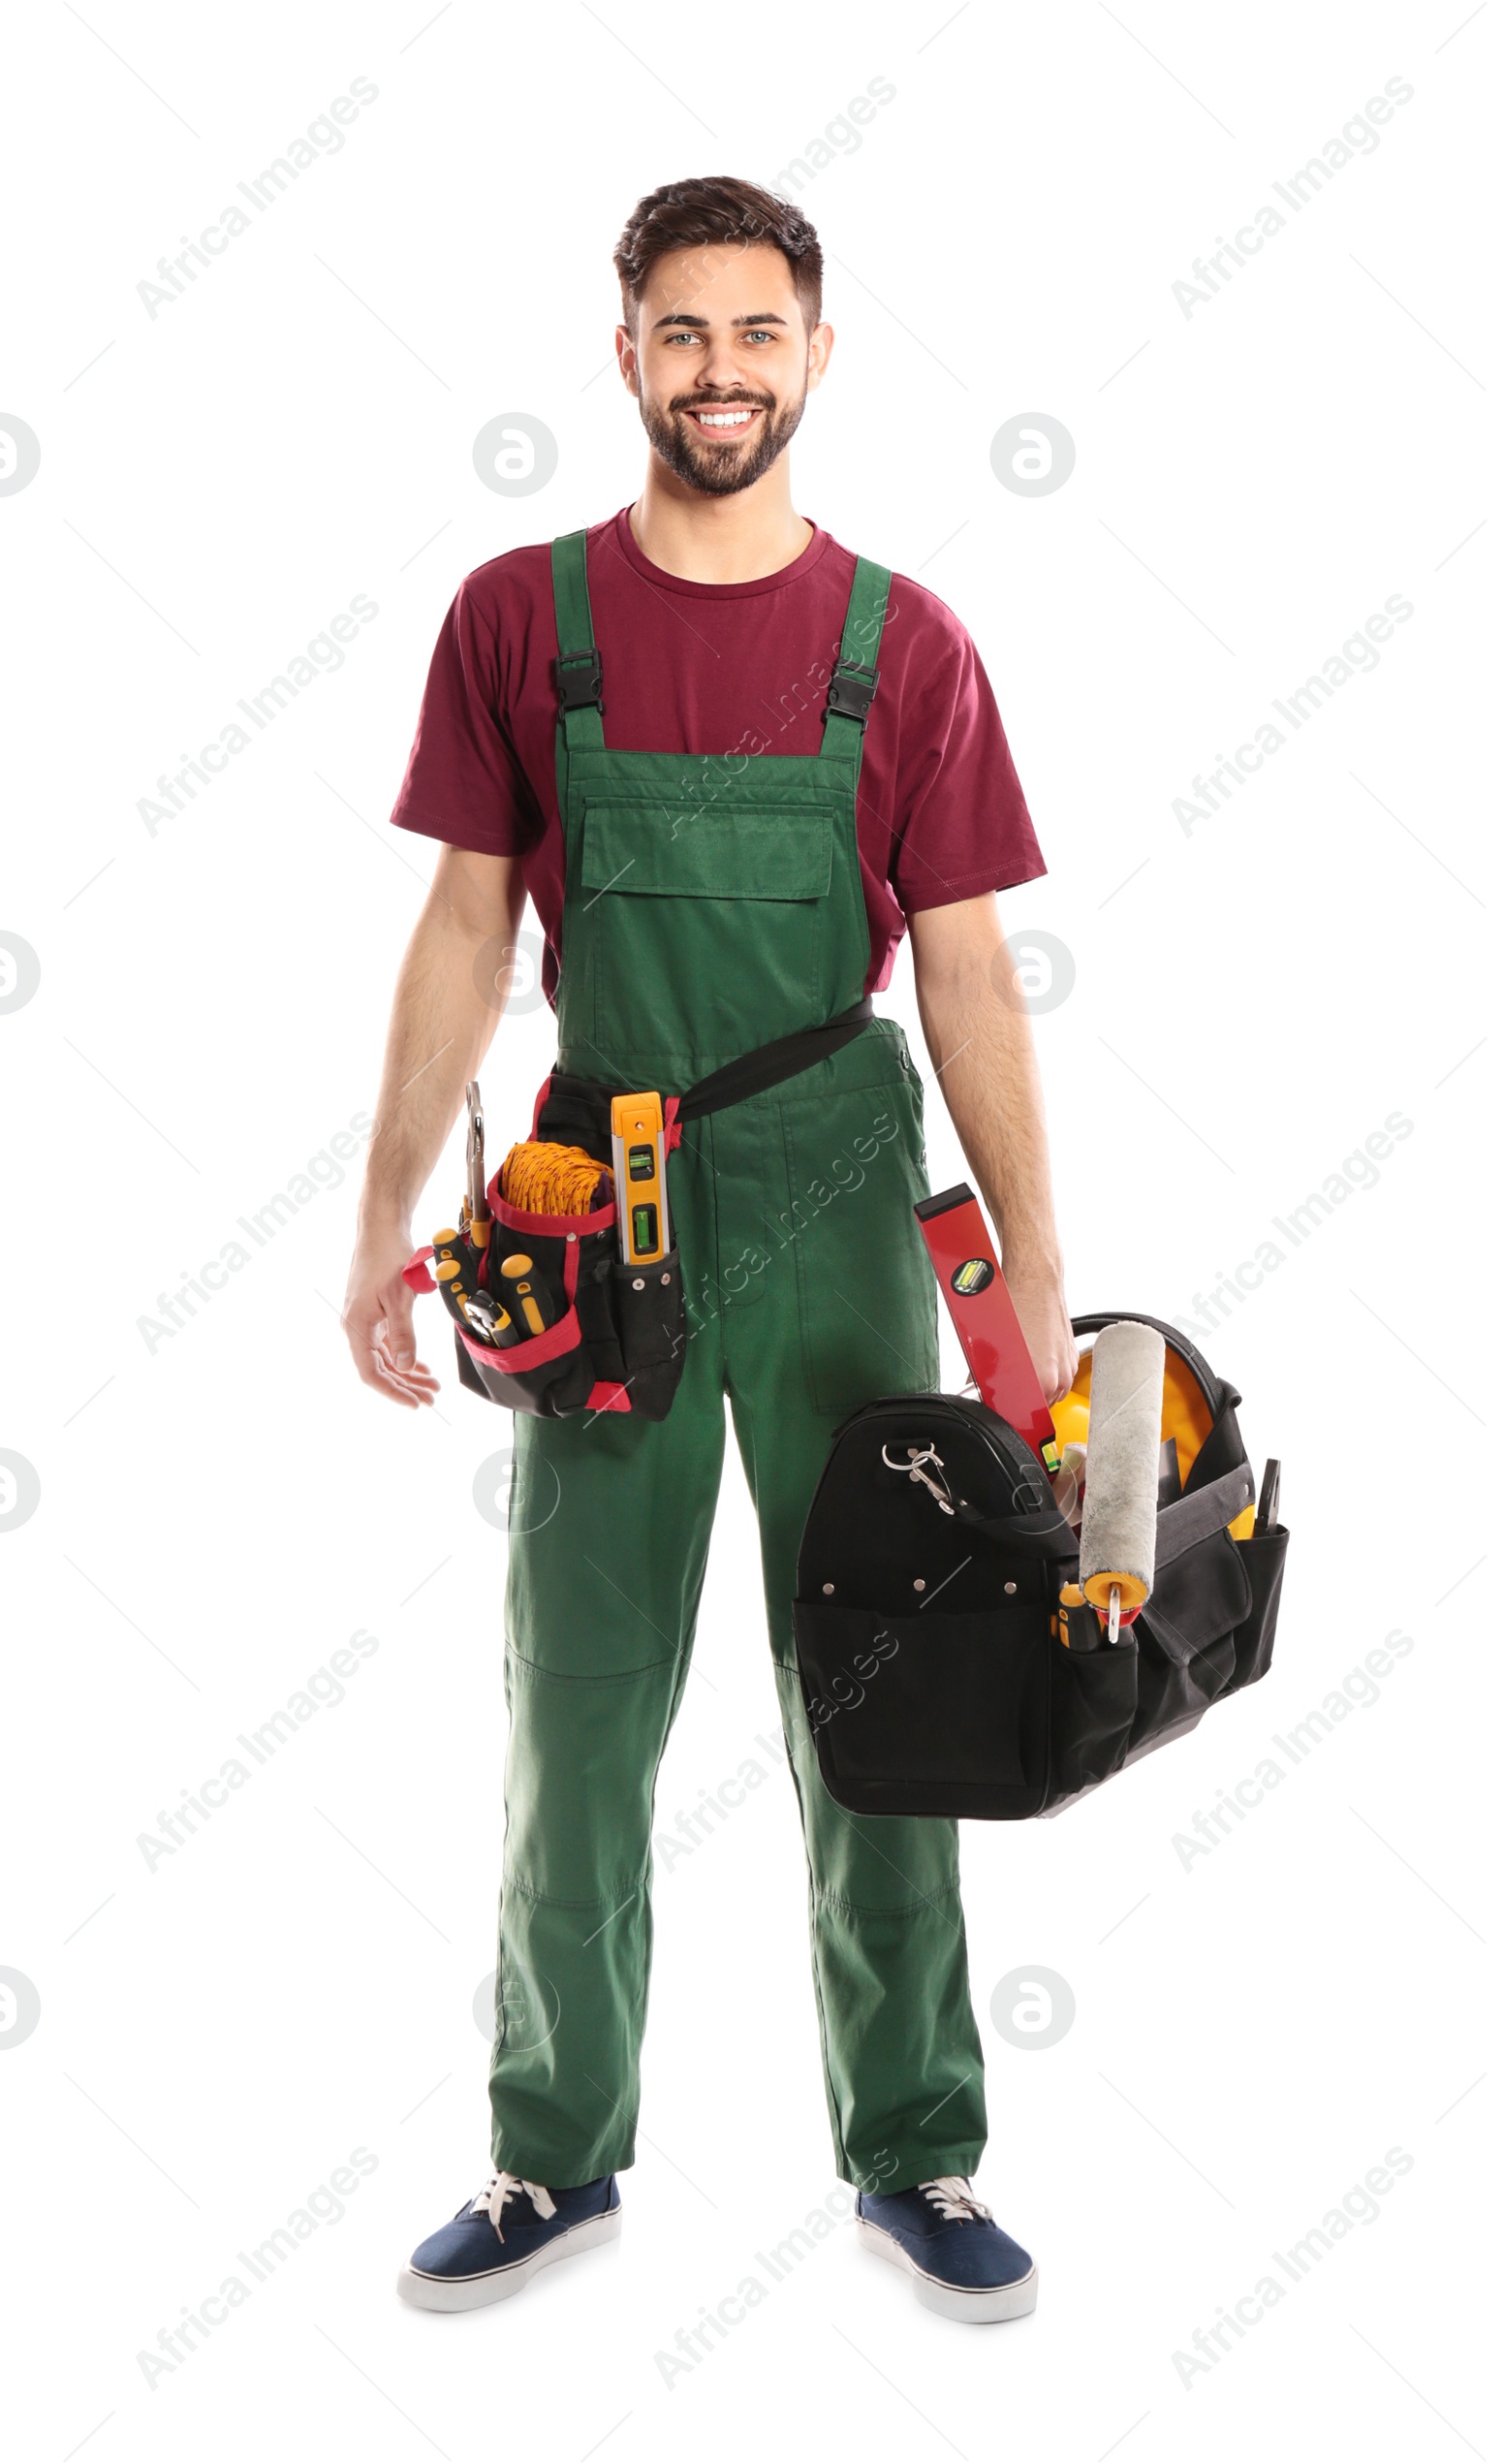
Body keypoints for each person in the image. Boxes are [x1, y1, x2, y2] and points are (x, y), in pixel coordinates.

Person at [343, 174, 1077, 2324]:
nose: (721, 370)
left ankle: (917, 2149)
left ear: (815, 354)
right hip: (597, 1207)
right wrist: (381, 1214)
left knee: (889, 1686)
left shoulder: (903, 641)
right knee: (576, 1704)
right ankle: (547, 2151)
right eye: (682, 332)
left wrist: (1031, 1275)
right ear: (626, 352)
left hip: (843, 1192)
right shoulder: (520, 617)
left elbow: (965, 976)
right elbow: (467, 928)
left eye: (758, 332)